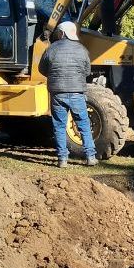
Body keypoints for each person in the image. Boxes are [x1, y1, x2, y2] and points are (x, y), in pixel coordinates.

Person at [39, 21, 97, 168]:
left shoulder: (51, 49)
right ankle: (90, 157)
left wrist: (54, 75)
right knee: (83, 124)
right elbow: (87, 71)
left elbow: (42, 69)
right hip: (77, 92)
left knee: (59, 126)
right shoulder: (82, 50)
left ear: (62, 33)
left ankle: (62, 159)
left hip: (58, 93)